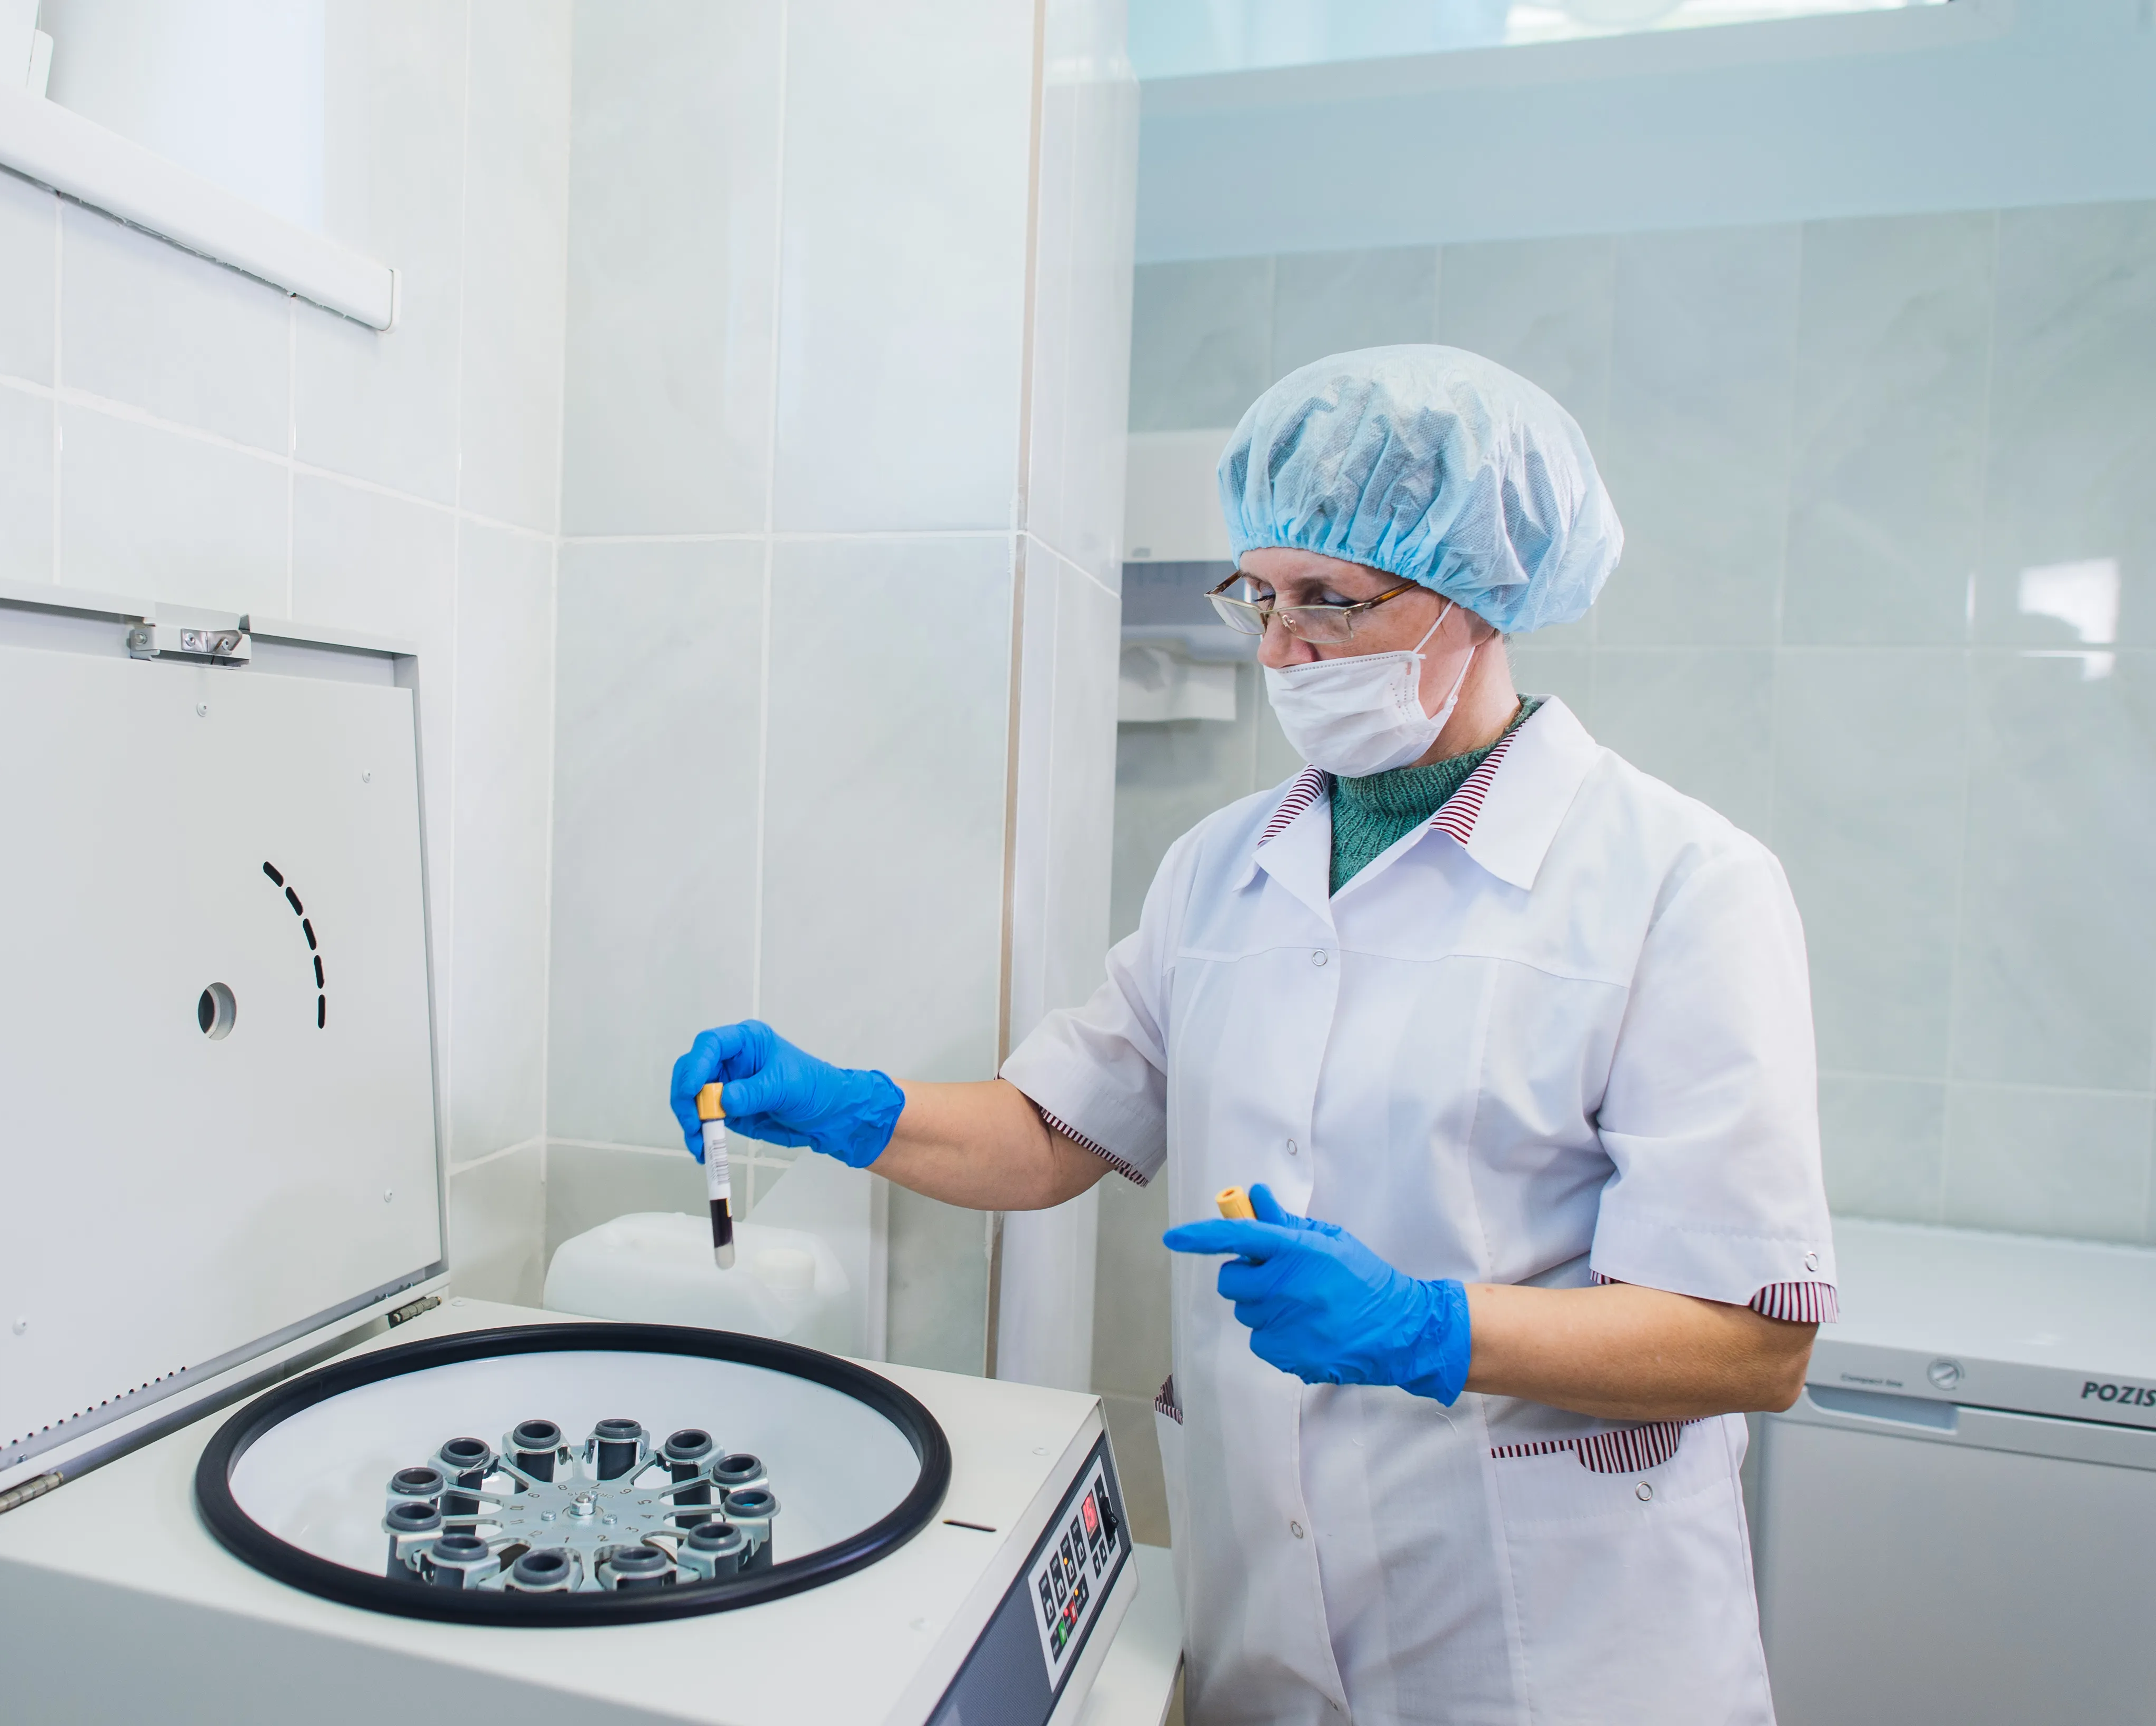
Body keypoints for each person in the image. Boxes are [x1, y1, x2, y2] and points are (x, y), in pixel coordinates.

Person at [669, 345, 1831, 1725]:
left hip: (1551, 1653)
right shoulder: (1224, 866)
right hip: (1266, 1636)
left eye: (1331, 601)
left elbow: (1752, 1342)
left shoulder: (1679, 883)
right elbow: (1057, 1131)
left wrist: (1426, 1330)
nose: (1283, 648)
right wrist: (847, 1105)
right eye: (1261, 597)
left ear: (1481, 597)